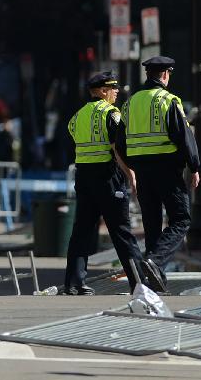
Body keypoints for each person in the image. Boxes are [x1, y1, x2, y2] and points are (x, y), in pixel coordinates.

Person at [63, 71, 155, 295]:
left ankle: (74, 283)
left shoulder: (77, 117)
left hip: (83, 176)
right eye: (113, 89)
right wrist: (130, 173)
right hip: (107, 177)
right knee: (121, 230)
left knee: (82, 230)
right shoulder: (111, 114)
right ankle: (139, 283)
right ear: (103, 91)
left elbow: (75, 139)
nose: (116, 93)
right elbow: (117, 149)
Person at [120, 56, 201, 291]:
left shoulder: (131, 102)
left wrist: (132, 165)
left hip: (143, 171)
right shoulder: (168, 100)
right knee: (181, 219)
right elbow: (184, 137)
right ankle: (155, 262)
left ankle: (153, 281)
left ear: (148, 74)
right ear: (165, 74)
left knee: (152, 223)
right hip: (167, 169)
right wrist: (193, 166)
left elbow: (120, 142)